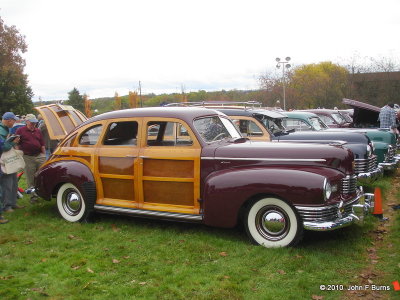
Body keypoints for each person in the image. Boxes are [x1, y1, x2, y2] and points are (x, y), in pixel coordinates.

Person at [15, 113, 46, 203]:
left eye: (35, 123)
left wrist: (43, 155)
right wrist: (19, 154)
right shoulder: (20, 130)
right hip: (27, 157)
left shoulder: (38, 130)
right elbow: (16, 143)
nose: (34, 124)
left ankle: (42, 193)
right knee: (30, 178)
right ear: (27, 121)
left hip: (39, 155)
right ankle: (33, 197)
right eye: (32, 122)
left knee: (42, 175)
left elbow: (42, 144)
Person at [0, 112, 23, 216]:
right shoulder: (1, 131)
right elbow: (3, 147)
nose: (14, 122)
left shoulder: (5, 129)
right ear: (9, 120)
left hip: (9, 161)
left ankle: (13, 203)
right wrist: (13, 142)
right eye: (14, 120)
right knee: (7, 184)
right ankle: (7, 205)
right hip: (3, 162)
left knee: (14, 182)